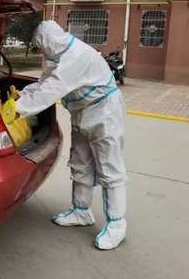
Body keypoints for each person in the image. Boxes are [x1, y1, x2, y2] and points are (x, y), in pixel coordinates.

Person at [15, 20, 127, 250]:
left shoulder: (76, 56)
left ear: (48, 41)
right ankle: (82, 211)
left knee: (110, 168)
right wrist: (18, 97)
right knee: (79, 162)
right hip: (82, 113)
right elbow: (43, 83)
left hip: (104, 112)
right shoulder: (59, 56)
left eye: (41, 45)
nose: (42, 51)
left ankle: (117, 225)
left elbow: (51, 90)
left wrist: (16, 111)